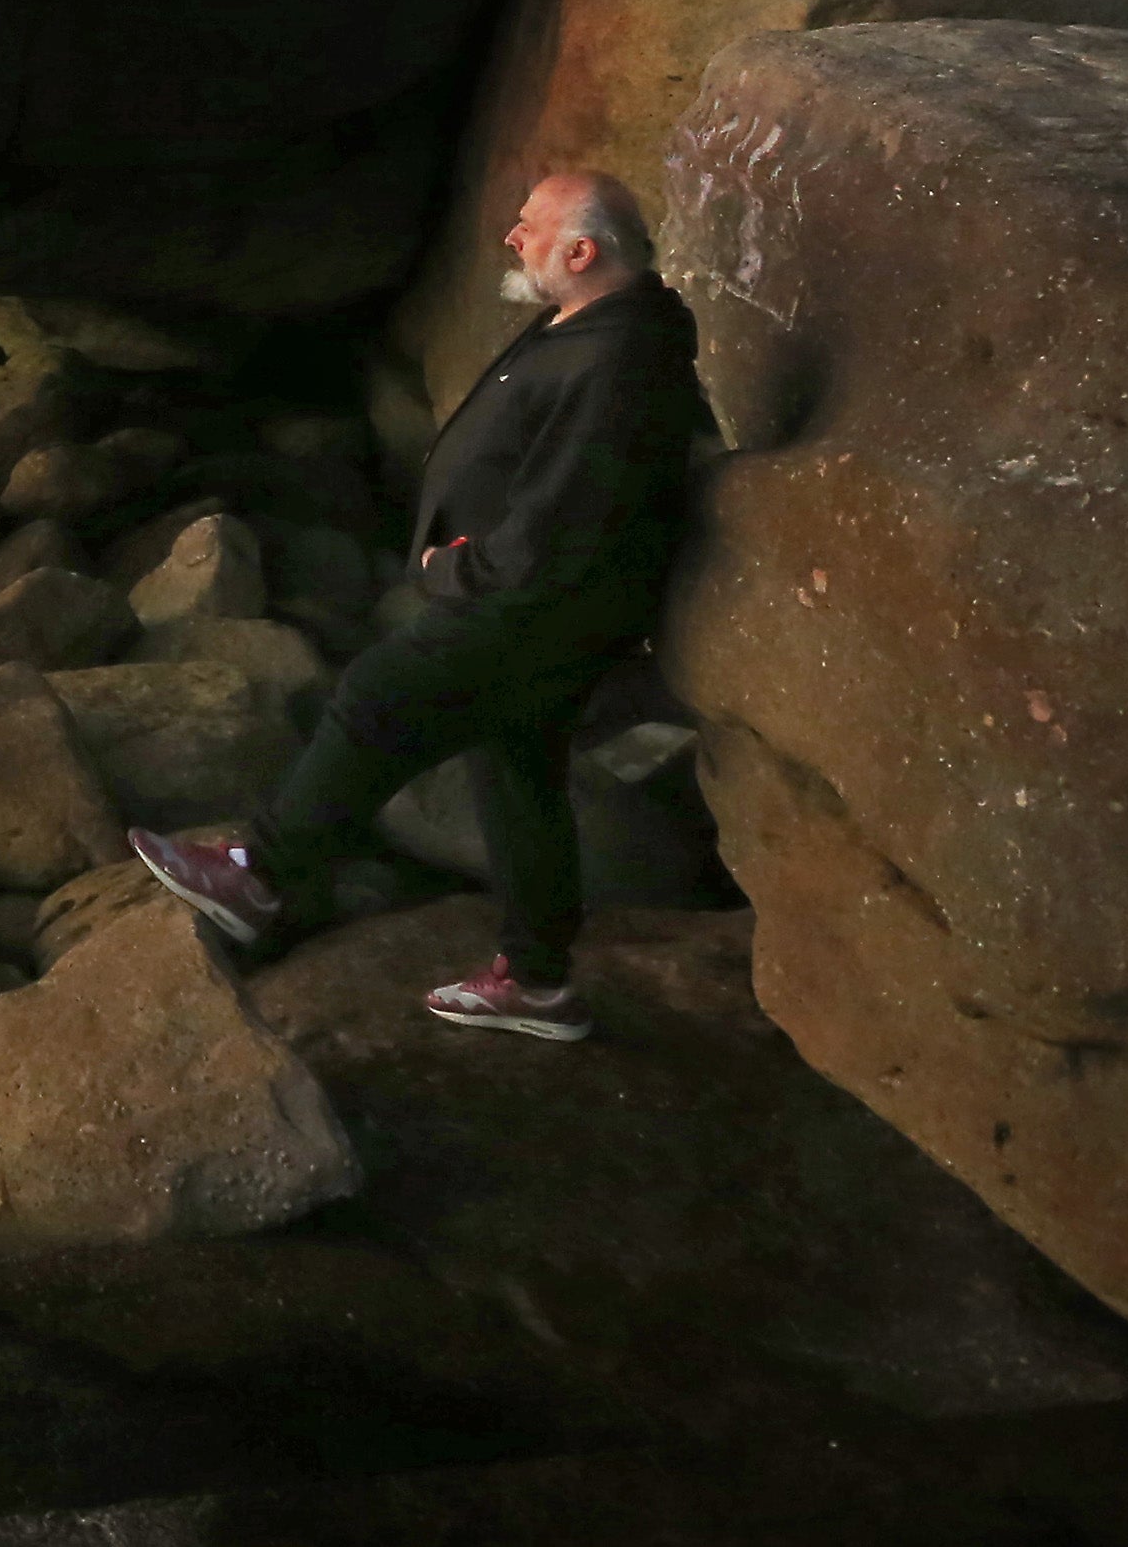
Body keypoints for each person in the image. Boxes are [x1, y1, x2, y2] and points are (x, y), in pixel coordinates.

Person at [130, 170, 711, 1041]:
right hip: (549, 603)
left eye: (530, 227)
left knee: (376, 693)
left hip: (536, 607)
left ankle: (261, 873)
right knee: (518, 777)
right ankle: (539, 982)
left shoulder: (621, 357)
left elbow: (567, 517)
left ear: (582, 251)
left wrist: (452, 572)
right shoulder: (594, 329)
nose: (513, 239)